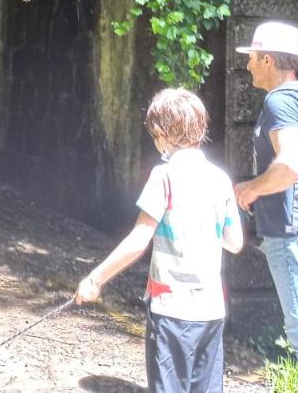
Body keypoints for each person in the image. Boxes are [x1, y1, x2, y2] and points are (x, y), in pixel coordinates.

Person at [76, 88, 243, 393]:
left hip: (172, 310)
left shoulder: (164, 176)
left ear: (164, 134)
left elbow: (140, 239)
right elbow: (235, 242)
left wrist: (95, 279)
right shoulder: (219, 179)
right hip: (211, 310)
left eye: (155, 134)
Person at [233, 21, 298, 393]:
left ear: (266, 59)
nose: (247, 66)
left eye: (251, 59)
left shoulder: (280, 100)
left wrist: (250, 189)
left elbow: (292, 164)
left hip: (294, 234)